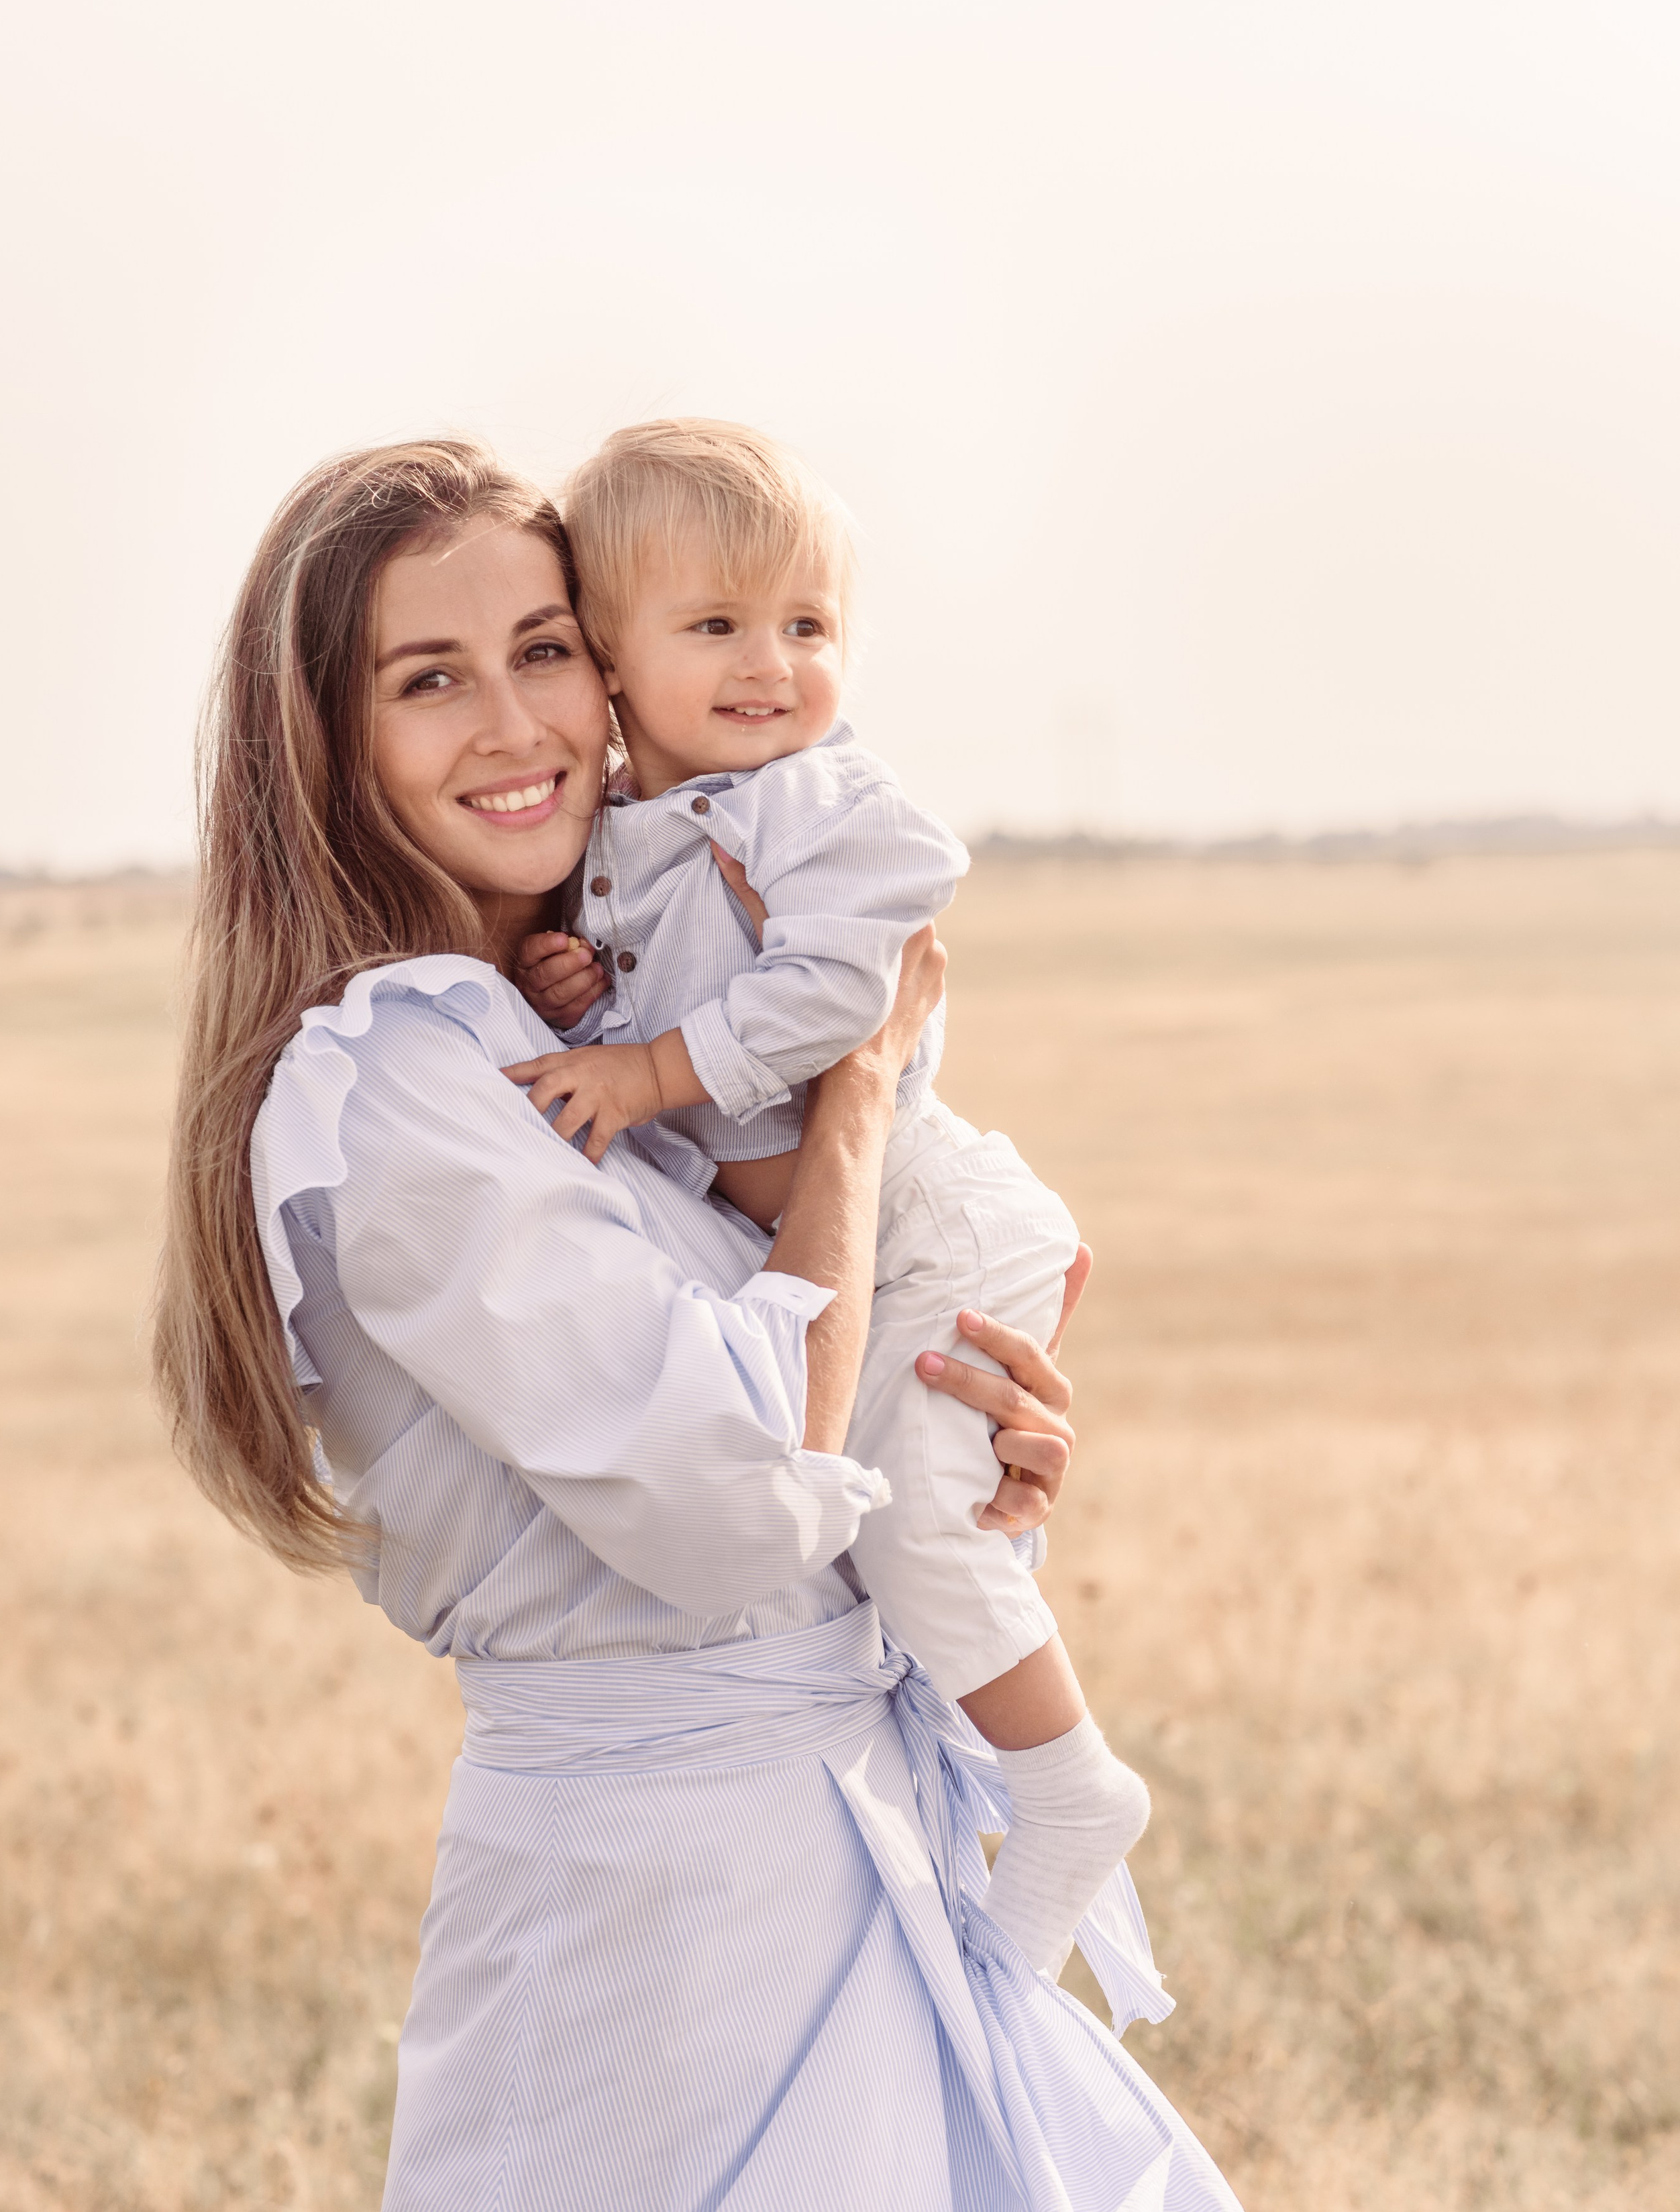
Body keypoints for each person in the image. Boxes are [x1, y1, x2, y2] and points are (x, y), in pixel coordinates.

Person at [153, 438, 1241, 2211]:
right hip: (661, 1922)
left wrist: (960, 1464)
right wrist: (866, 1090)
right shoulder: (394, 1082)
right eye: (431, 678)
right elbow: (742, 1495)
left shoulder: (555, 1017)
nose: (518, 722)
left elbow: (806, 1430)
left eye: (547, 647)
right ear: (329, 741)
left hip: (838, 1840)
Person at [510, 417, 1148, 1984]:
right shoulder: (617, 842)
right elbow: (669, 1004)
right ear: (605, 660)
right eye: (715, 623)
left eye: (806, 624)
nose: (770, 663)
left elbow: (845, 991)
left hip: (923, 1208)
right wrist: (580, 990)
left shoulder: (816, 797)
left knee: (917, 1520)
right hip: (847, 1221)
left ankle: (1071, 1793)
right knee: (864, 1533)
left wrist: (645, 1066)